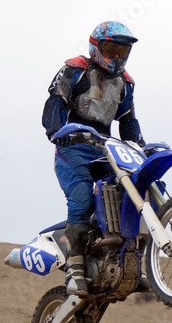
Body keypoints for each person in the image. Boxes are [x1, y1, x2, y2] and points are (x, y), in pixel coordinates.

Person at [41, 21, 145, 297]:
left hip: (106, 147)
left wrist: (140, 144)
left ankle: (134, 262)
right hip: (72, 146)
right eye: (111, 49)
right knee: (83, 197)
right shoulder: (75, 69)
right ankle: (75, 266)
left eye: (123, 51)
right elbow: (55, 102)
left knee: (131, 193)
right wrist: (58, 132)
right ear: (96, 47)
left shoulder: (126, 83)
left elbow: (128, 120)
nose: (117, 57)